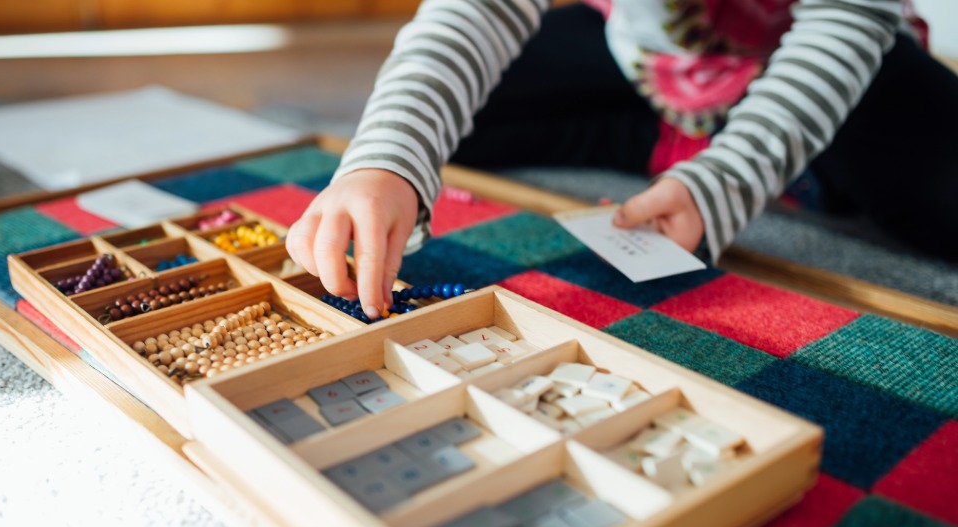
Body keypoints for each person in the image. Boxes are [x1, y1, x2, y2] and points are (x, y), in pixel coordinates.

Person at [286, 0, 958, 320]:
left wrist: (725, 181)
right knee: (450, 113)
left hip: (825, 60)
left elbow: (848, 17)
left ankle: (756, 148)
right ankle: (675, 135)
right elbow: (475, 13)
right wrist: (385, 162)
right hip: (646, 59)